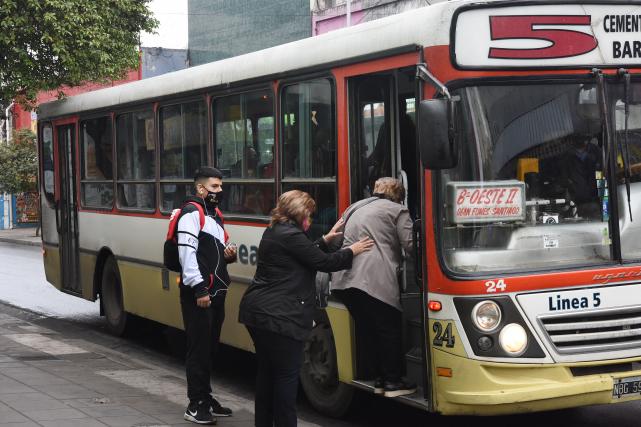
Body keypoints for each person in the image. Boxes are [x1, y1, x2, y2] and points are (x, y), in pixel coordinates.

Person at [238, 190, 373, 427]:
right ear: (299, 214)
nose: (310, 220)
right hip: (280, 317)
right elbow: (323, 262)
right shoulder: (291, 235)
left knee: (267, 376)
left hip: (258, 312)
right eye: (309, 215)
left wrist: (325, 239)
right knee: (286, 380)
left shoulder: (275, 231)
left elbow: (302, 253)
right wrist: (353, 250)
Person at [331, 177, 415, 398]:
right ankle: (393, 382)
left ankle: (379, 378)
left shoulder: (355, 207)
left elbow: (337, 240)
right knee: (389, 329)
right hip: (374, 279)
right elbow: (411, 245)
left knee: (369, 330)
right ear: (399, 193)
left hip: (343, 280)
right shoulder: (398, 210)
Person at [177, 166, 237, 425]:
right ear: (201, 188)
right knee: (198, 350)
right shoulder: (191, 214)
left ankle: (206, 397)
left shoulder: (214, 214)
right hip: (200, 294)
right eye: (214, 187)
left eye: (220, 186)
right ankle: (195, 404)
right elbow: (187, 254)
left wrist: (228, 256)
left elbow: (212, 252)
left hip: (216, 292)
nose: (220, 191)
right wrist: (199, 289)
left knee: (210, 348)